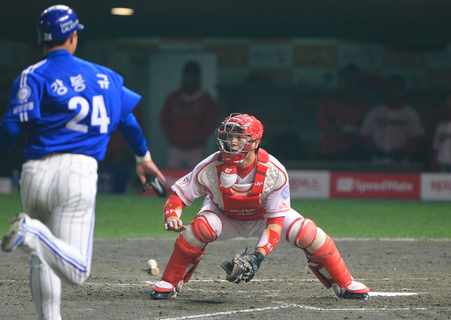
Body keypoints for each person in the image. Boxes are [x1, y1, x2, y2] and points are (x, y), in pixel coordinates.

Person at [0, 5, 165, 320]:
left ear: (42, 39)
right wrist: (143, 157)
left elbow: (10, 128)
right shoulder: (103, 76)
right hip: (76, 173)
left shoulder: (31, 74)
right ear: (73, 36)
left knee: (41, 256)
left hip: (34, 173)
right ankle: (31, 232)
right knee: (76, 272)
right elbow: (128, 121)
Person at [150, 113, 370, 301]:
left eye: (239, 137)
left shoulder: (275, 171)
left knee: (309, 234)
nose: (232, 142)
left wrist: (257, 257)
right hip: (223, 214)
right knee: (197, 231)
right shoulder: (209, 166)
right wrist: (172, 215)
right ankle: (170, 282)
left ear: (254, 142)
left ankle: (344, 283)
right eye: (229, 136)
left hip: (263, 217)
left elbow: (275, 222)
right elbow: (179, 196)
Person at [160, 60, 218, 169]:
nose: (190, 78)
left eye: (193, 75)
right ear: (184, 76)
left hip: (197, 148)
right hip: (176, 147)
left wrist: (195, 140)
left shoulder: (205, 99)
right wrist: (175, 138)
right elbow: (165, 121)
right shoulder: (174, 98)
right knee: (174, 181)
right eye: (188, 75)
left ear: (198, 76)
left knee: (197, 180)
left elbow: (209, 124)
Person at [361, 74, 425, 164]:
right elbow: (365, 134)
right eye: (390, 88)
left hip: (401, 162)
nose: (393, 91)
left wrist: (404, 152)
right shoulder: (374, 112)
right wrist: (372, 149)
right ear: (385, 90)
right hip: (377, 161)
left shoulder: (411, 114)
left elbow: (417, 138)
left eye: (397, 88)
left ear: (402, 90)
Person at [315, 64, 369, 161]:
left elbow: (361, 126)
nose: (348, 81)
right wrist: (332, 126)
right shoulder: (328, 99)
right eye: (346, 77)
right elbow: (320, 121)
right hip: (329, 149)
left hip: (351, 151)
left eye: (353, 78)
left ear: (357, 81)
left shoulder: (361, 103)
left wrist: (340, 125)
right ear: (339, 79)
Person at [430, 94, 451, 172]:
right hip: (443, 166)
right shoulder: (441, 126)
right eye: (448, 108)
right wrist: (433, 163)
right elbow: (436, 147)